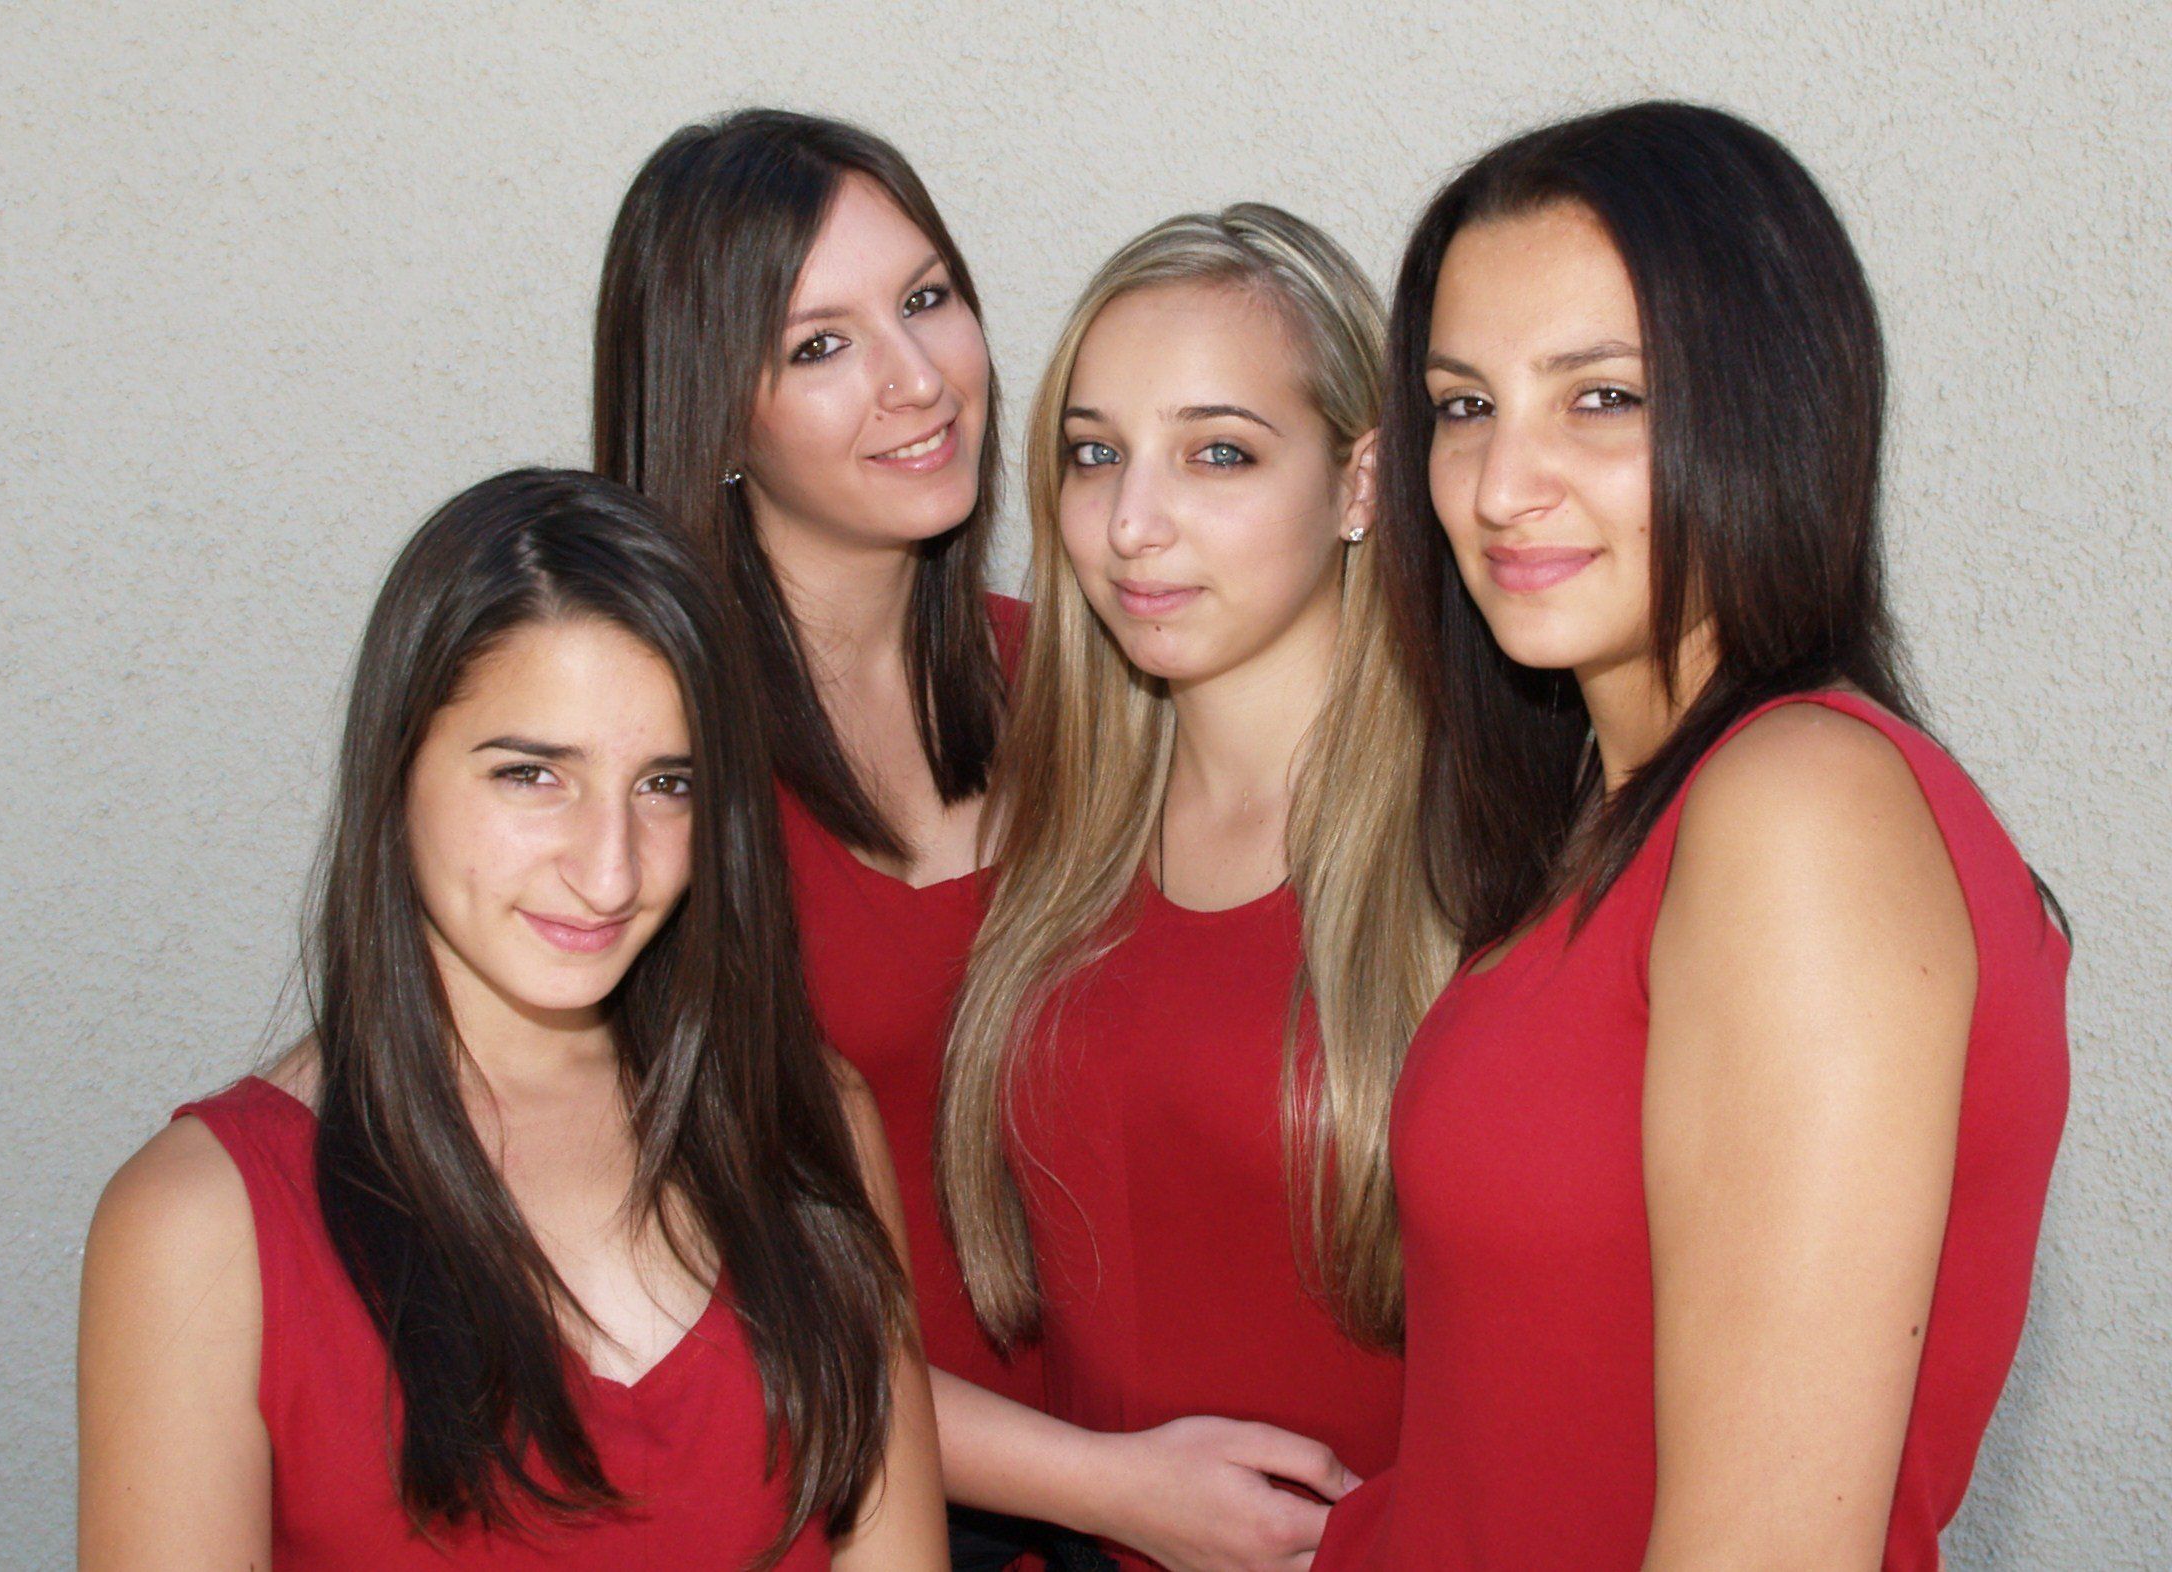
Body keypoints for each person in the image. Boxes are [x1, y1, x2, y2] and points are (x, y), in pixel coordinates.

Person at [1315, 102, 2069, 1571]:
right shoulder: (1619, 815)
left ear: (1771, 408)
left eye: (1601, 397)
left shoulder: (1799, 809)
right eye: (1463, 406)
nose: (1500, 485)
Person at [77, 469, 946, 1570]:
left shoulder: (806, 1123)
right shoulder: (200, 1225)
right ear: (396, 767)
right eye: (534, 775)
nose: (610, 869)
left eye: (667, 784)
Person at [939, 205, 1453, 1571]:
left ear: (1361, 482)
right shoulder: (1055, 820)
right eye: (1094, 453)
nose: (1131, 523)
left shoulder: (1487, 847)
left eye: (1217, 452)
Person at [592, 109, 1042, 1570]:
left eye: (926, 298)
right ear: (716, 413)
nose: (917, 378)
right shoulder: (652, 776)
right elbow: (710, 1294)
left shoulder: (1089, 682)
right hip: (861, 1515)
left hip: (1183, 1475)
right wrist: (1114, 1487)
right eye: (819, 345)